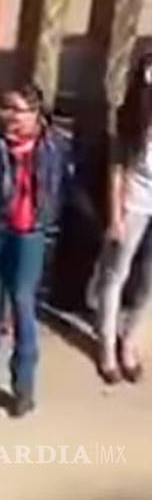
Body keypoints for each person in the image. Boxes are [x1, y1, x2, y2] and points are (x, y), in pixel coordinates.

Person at [0, 83, 73, 418]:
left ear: (35, 113)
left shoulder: (54, 146)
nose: (9, 117)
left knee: (22, 302)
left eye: (17, 110)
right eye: (5, 109)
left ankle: (23, 384)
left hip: (30, 234)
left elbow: (64, 185)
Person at [95, 52, 152, 384]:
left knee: (148, 283)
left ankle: (129, 341)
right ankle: (105, 346)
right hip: (134, 202)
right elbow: (116, 169)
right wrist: (115, 215)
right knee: (115, 273)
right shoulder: (130, 117)